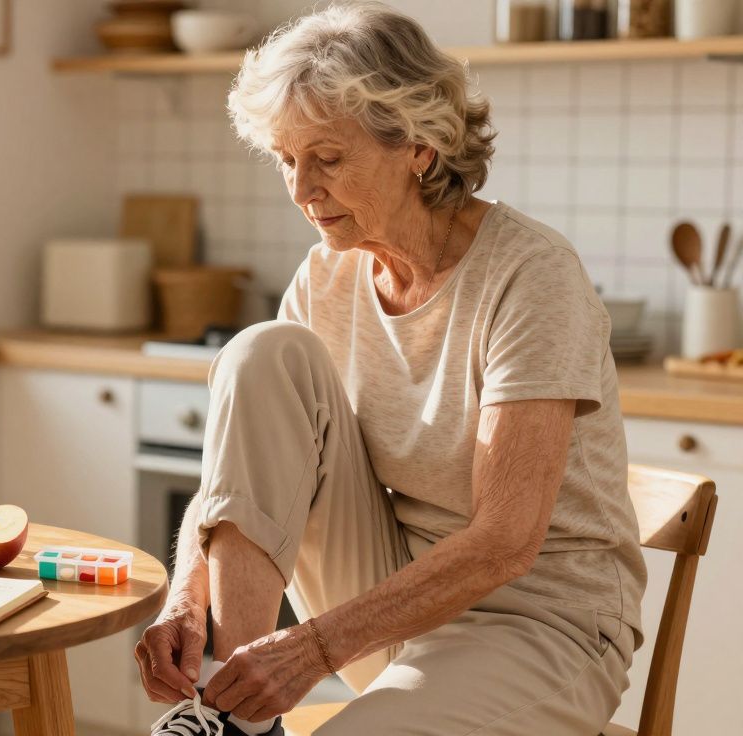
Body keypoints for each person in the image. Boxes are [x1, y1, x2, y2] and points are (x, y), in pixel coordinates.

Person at [136, 4, 645, 735]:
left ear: (420, 147)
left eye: (328, 159)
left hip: (541, 625)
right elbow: (238, 480)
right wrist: (187, 593)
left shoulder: (532, 277)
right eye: (286, 159)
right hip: (392, 600)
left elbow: (506, 542)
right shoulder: (326, 278)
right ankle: (232, 714)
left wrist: (309, 649)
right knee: (261, 352)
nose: (302, 188)